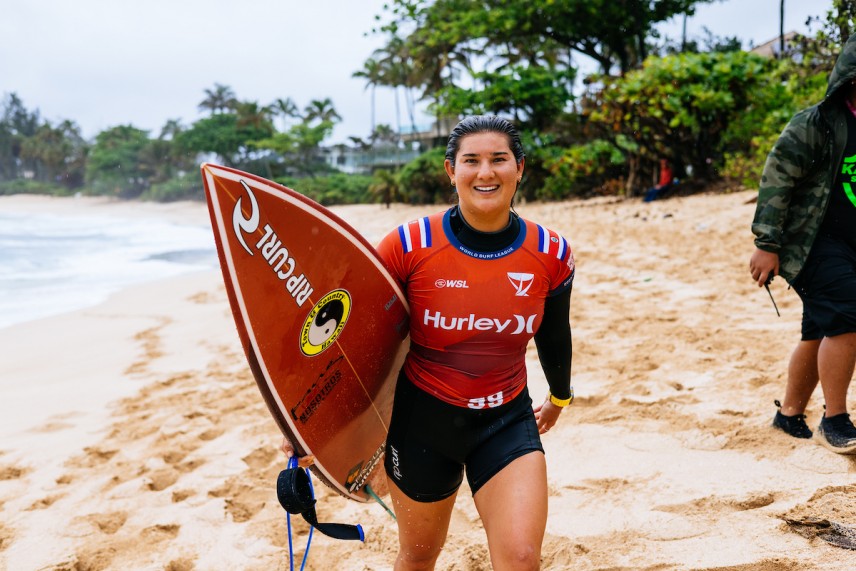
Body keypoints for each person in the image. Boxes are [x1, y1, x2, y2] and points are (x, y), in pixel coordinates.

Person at [283, 115, 575, 569]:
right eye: (471, 161)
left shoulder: (550, 252)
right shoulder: (409, 245)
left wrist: (560, 397)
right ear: (450, 170)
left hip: (505, 419)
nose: (485, 172)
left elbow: (555, 333)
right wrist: (309, 425)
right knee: (418, 557)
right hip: (423, 424)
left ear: (520, 168)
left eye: (499, 160)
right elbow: (354, 341)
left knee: (520, 558)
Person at [749, 33, 856, 454]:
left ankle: (789, 413)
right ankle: (835, 421)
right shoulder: (816, 123)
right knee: (848, 316)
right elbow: (777, 179)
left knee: (820, 330)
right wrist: (767, 242)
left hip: (851, 245)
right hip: (810, 244)